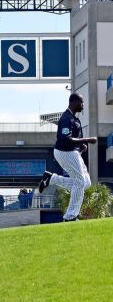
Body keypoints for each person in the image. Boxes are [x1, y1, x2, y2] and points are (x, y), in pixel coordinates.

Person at [37, 93, 97, 222]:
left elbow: (76, 139)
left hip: (73, 152)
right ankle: (70, 217)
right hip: (64, 152)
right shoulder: (66, 118)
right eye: (81, 102)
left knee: (85, 183)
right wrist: (89, 140)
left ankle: (51, 178)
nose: (83, 105)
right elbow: (66, 139)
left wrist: (82, 146)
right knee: (80, 182)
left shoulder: (75, 119)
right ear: (74, 102)